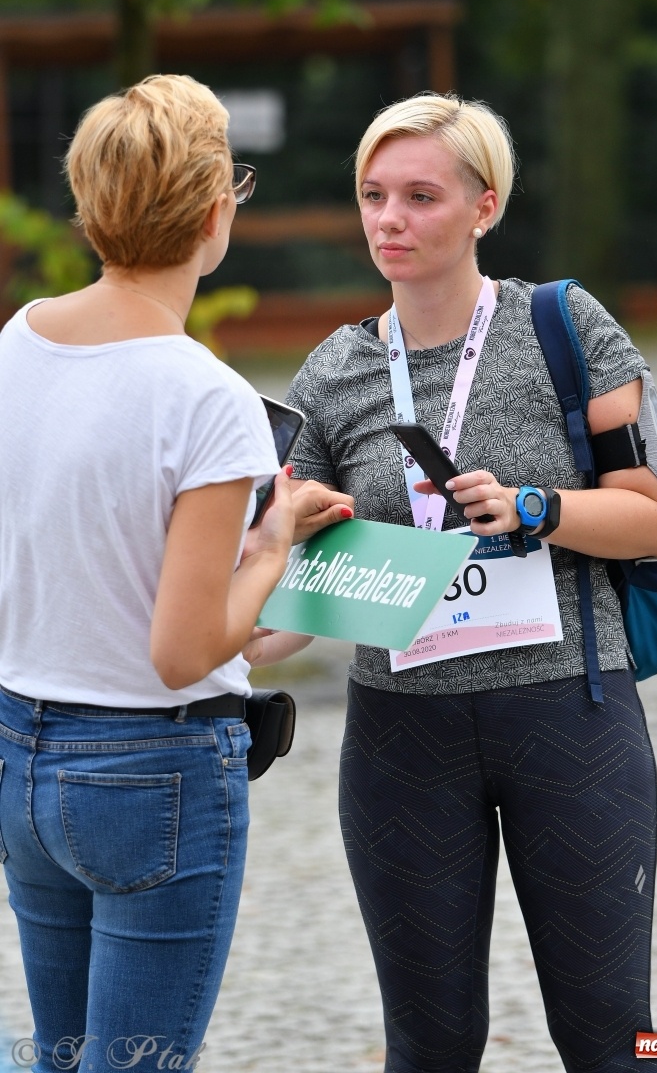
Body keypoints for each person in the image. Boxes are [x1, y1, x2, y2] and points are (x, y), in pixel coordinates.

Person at [252, 93, 657, 1073]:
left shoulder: (563, 326)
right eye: (371, 196)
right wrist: (258, 574)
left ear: (483, 208)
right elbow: (278, 620)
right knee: (429, 1045)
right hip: (402, 737)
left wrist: (539, 509)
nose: (388, 220)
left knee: (614, 1038)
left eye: (419, 196)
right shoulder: (336, 371)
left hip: (568, 717)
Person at [0, 74, 352, 1073]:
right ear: (214, 212)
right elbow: (182, 651)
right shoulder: (206, 395)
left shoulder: (16, 343)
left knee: (60, 1061)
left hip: (22, 752)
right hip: (150, 775)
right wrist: (276, 545)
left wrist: (243, 548)